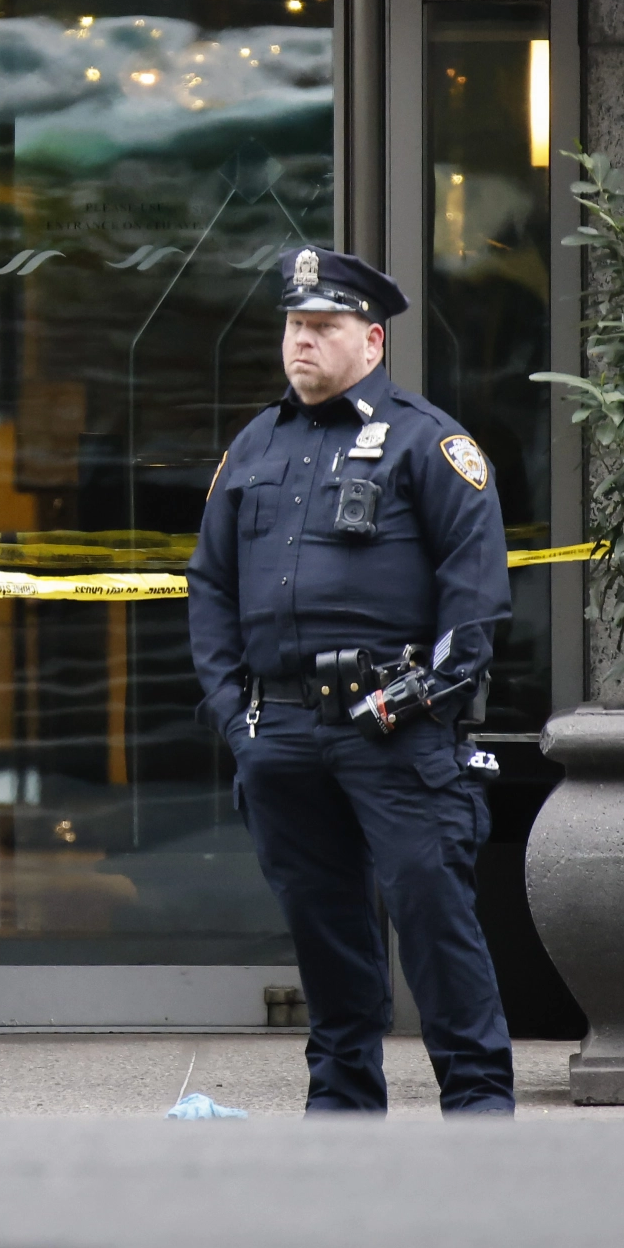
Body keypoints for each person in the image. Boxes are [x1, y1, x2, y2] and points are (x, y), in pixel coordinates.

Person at [186, 243, 516, 1114]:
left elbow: (475, 598)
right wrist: (235, 718)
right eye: (294, 325)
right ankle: (339, 1114)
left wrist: (425, 699)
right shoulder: (255, 443)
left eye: (322, 327)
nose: (301, 341)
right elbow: (209, 585)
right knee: (323, 931)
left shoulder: (427, 441)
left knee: (434, 923)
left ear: (371, 341)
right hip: (282, 734)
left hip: (395, 728)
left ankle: (480, 1110)